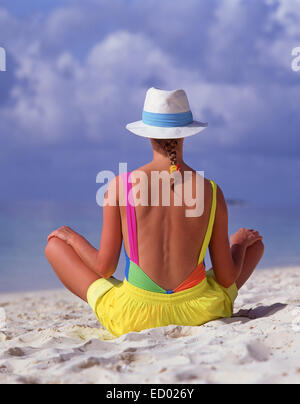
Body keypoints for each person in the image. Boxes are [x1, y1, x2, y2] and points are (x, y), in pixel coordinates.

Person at [45, 87, 264, 338]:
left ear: (147, 135)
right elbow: (226, 278)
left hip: (134, 316)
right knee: (255, 245)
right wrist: (238, 245)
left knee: (54, 246)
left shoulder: (121, 185)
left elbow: (104, 268)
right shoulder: (211, 191)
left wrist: (73, 239)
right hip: (198, 312)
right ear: (186, 135)